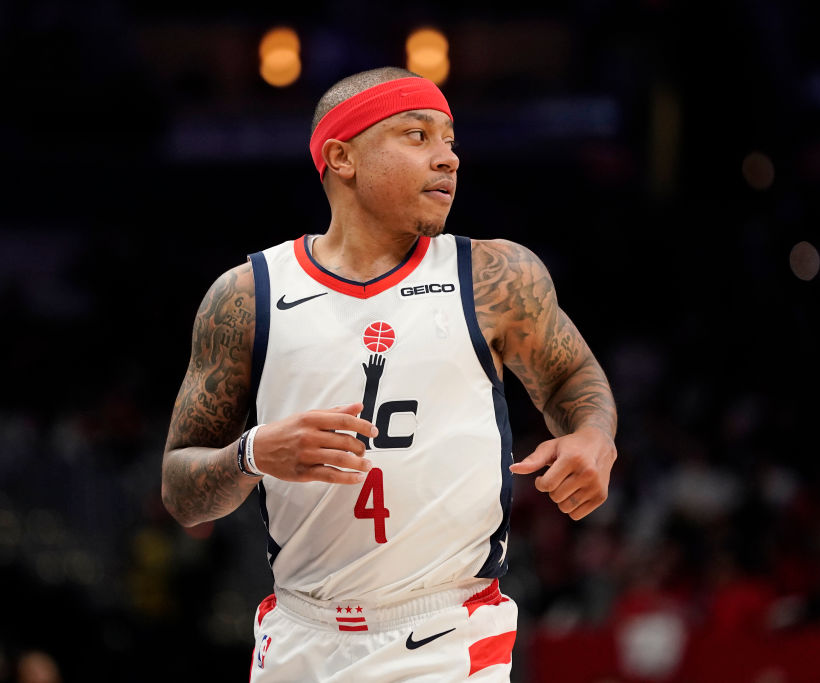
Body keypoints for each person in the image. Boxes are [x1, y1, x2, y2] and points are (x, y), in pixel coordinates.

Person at [161, 66, 618, 682]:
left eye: (450, 140)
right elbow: (181, 491)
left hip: (447, 633)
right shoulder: (246, 297)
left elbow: (570, 383)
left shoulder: (494, 277)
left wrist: (594, 437)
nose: (448, 159)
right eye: (417, 135)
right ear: (341, 157)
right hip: (299, 637)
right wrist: (251, 454)